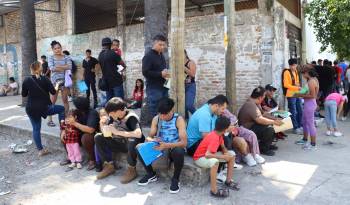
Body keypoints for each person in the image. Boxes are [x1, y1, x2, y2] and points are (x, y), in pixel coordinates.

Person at [137, 98, 187, 194]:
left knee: (179, 151)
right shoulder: (156, 119)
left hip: (173, 147)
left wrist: (167, 145)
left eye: (165, 114)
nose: (162, 116)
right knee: (139, 147)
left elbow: (184, 143)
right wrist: (153, 140)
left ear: (172, 110)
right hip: (160, 147)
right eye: (160, 114)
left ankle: (175, 179)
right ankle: (151, 174)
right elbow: (149, 137)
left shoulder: (179, 120)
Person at [95, 97, 144, 183]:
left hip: (132, 146)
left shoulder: (131, 117)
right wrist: (102, 124)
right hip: (120, 143)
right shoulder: (113, 117)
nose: (110, 115)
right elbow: (107, 132)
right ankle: (109, 166)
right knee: (98, 137)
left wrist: (117, 132)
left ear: (119, 111)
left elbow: (138, 134)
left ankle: (131, 169)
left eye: (112, 113)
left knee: (132, 139)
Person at [21, 61, 65, 156]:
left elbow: (24, 94)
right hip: (44, 108)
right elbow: (53, 92)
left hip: (30, 108)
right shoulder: (45, 79)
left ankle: (40, 150)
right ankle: (63, 129)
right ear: (40, 69)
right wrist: (57, 85)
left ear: (31, 69)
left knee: (36, 129)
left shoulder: (27, 80)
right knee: (62, 109)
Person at [193, 116, 239, 198]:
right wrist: (223, 157)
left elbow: (222, 146)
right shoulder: (214, 137)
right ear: (225, 129)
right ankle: (214, 191)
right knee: (215, 162)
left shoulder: (219, 134)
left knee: (232, 155)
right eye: (229, 126)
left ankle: (228, 181)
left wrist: (226, 153)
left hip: (207, 155)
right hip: (200, 158)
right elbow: (207, 155)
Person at [238, 87, 283, 156]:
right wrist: (273, 122)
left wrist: (275, 119)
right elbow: (259, 120)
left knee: (272, 125)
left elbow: (263, 114)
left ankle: (267, 144)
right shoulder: (250, 105)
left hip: (254, 125)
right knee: (270, 129)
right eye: (264, 96)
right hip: (247, 129)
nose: (264, 97)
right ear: (260, 97)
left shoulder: (256, 103)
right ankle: (263, 148)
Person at [60, 97, 99, 170]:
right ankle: (71, 157)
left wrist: (74, 123)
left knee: (86, 138)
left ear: (80, 107)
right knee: (65, 134)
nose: (74, 107)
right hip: (77, 134)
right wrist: (63, 131)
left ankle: (92, 160)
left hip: (91, 136)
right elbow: (67, 121)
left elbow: (90, 130)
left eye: (76, 105)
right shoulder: (76, 112)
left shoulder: (92, 113)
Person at [142, 34, 170, 118]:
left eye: (163, 45)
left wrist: (168, 83)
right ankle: (155, 127)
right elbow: (145, 72)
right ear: (154, 43)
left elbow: (163, 70)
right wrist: (160, 74)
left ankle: (162, 127)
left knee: (164, 108)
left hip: (164, 86)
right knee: (155, 109)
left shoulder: (161, 55)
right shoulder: (148, 56)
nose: (162, 47)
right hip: (154, 88)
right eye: (160, 45)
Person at [47, 41, 72, 127]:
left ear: (61, 48)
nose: (57, 50)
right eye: (55, 48)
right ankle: (50, 120)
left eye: (58, 48)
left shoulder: (66, 57)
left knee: (65, 100)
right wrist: (63, 67)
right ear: (53, 49)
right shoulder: (50, 57)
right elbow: (52, 68)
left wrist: (58, 67)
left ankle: (65, 118)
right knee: (52, 101)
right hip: (54, 82)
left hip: (65, 81)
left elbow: (69, 66)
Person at [294, 67, 319, 150]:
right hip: (308, 104)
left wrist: (299, 95)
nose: (303, 75)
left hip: (310, 104)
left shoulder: (311, 81)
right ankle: (305, 139)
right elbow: (308, 92)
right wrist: (301, 91)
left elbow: (313, 96)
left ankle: (313, 144)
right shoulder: (312, 80)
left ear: (307, 72)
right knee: (304, 122)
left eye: (303, 73)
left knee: (310, 124)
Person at [283, 58, 303, 135]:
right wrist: (296, 87)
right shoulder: (286, 72)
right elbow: (286, 85)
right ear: (290, 65)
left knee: (300, 109)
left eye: (296, 65)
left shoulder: (296, 72)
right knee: (293, 111)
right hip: (291, 94)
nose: (295, 67)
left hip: (297, 93)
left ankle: (300, 125)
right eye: (294, 65)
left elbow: (297, 82)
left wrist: (298, 86)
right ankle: (295, 127)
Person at [184, 49, 197, 120]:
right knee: (183, 108)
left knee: (189, 105)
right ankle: (185, 123)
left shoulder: (190, 62)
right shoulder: (175, 63)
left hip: (190, 86)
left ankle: (199, 117)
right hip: (180, 88)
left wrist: (184, 68)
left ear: (185, 54)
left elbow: (192, 74)